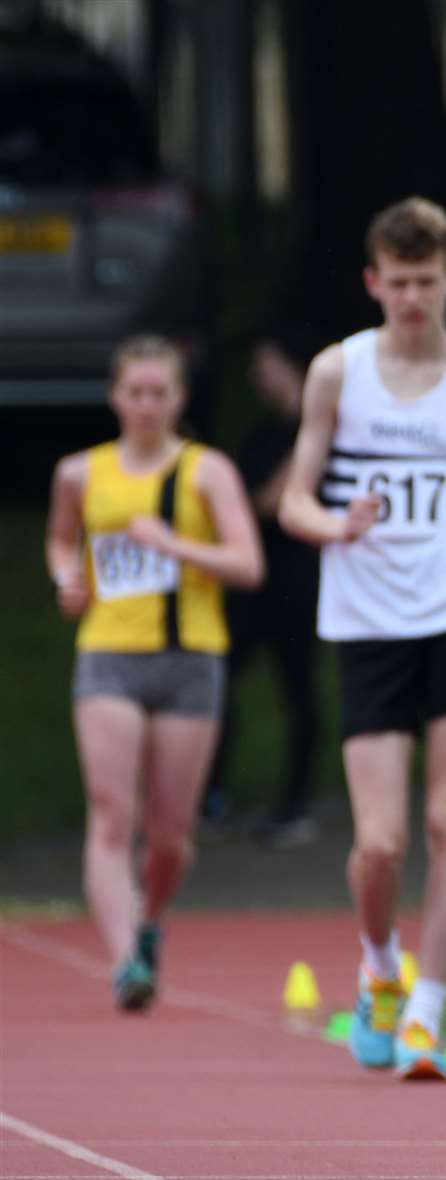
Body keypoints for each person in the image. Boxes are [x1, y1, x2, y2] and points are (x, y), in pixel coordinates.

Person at [279, 196, 446, 1080]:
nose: (414, 298)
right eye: (399, 283)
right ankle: (380, 967)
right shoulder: (336, 375)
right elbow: (293, 498)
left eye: (428, 282)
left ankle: (428, 1008)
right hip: (367, 620)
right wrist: (330, 525)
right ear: (373, 283)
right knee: (380, 842)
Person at [45, 335, 264, 1011]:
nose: (145, 405)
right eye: (134, 392)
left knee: (169, 834)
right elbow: (61, 539)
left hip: (189, 658)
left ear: (178, 399)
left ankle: (148, 922)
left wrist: (173, 545)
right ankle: (122, 964)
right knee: (112, 813)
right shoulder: (80, 473)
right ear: (116, 397)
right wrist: (67, 578)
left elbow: (248, 565)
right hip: (108, 655)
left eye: (158, 393)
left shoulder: (207, 472)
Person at [202, 330, 322, 849]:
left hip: (297, 581)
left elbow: (274, 502)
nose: (256, 376)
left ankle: (295, 805)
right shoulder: (263, 433)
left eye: (265, 363)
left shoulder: (323, 432)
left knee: (299, 689)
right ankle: (212, 797)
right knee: (219, 680)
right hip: (251, 582)